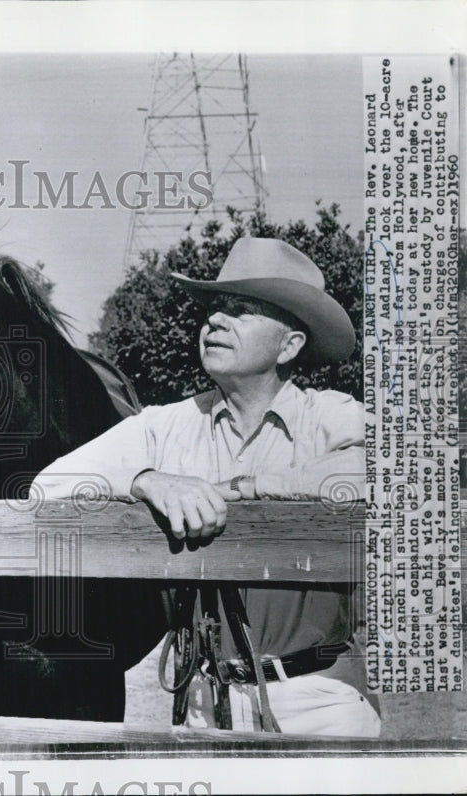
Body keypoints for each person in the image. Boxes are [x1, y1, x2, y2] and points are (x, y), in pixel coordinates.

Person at [33, 237, 380, 737]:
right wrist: (146, 481)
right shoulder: (163, 426)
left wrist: (249, 486)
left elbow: (405, 479)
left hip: (320, 697)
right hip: (202, 699)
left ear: (290, 346)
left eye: (242, 310)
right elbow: (46, 487)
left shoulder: (331, 417)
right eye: (216, 309)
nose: (215, 321)